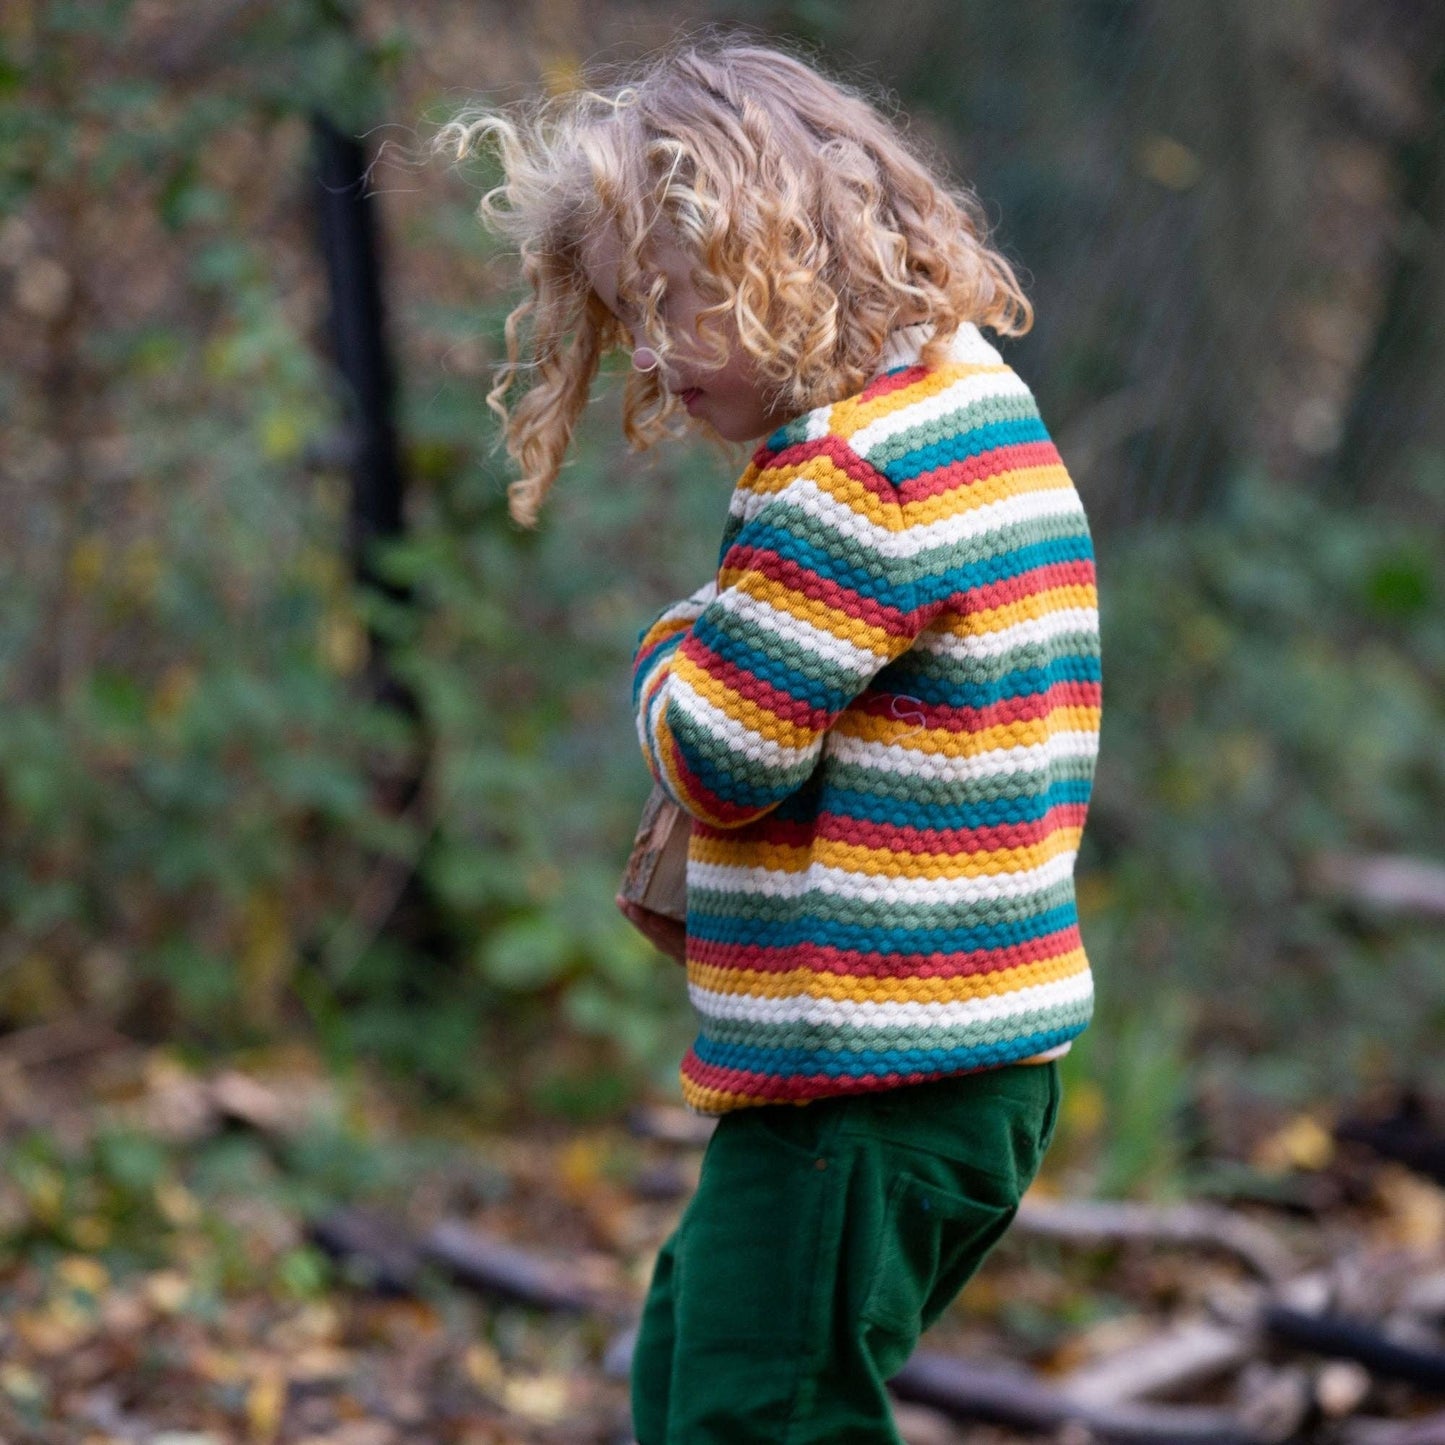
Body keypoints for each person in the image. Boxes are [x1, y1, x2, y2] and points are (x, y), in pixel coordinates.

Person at [436, 33, 1101, 1443]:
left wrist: (671, 643)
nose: (660, 350)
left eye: (685, 302)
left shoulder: (844, 483)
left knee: (756, 1411)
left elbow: (716, 756)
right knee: (693, 1359)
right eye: (632, 311)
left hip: (870, 1072)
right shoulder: (965, 401)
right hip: (955, 1059)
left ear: (791, 256)